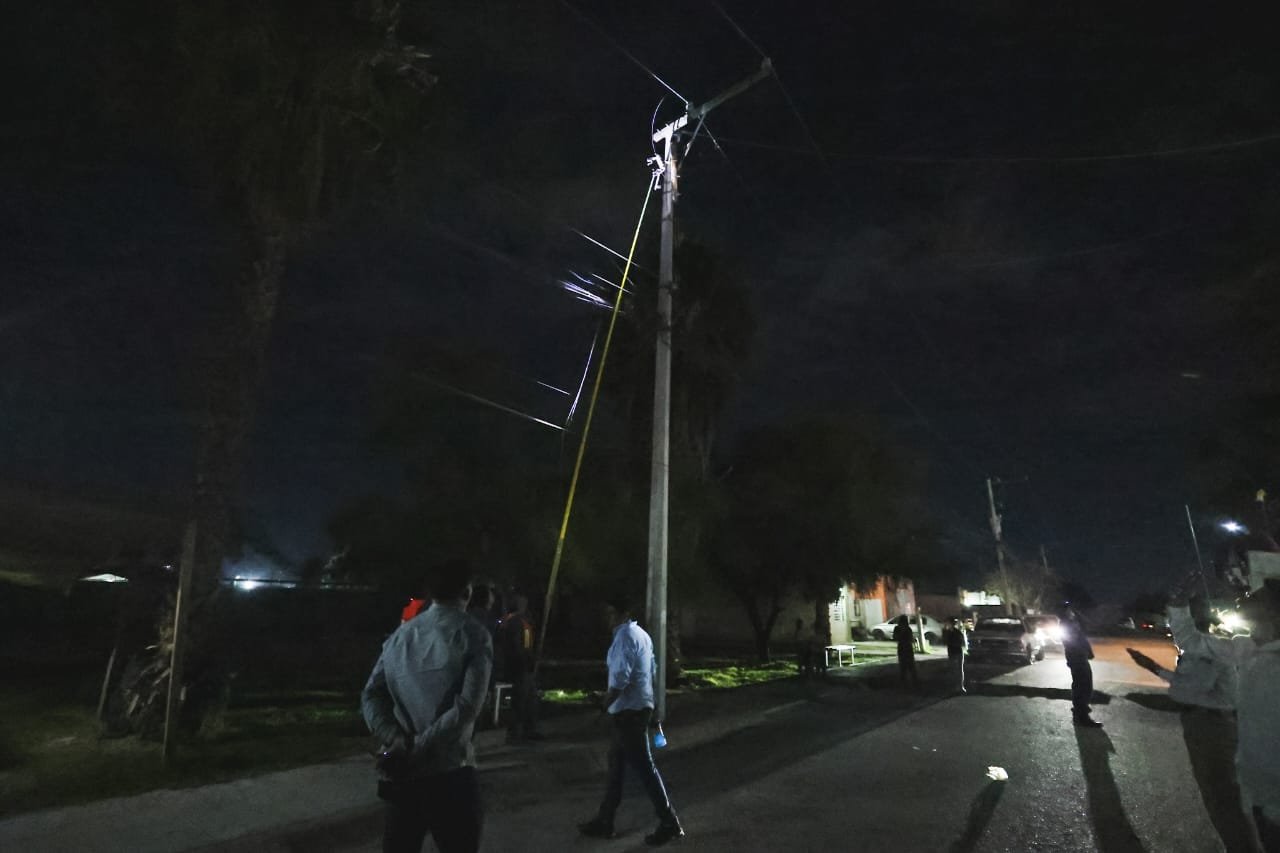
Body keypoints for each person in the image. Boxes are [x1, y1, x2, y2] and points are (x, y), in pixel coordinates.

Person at [361, 559, 494, 853]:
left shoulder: (401, 637)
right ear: (467, 592)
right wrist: (420, 746)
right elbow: (467, 707)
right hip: (450, 772)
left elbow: (371, 695)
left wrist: (395, 739)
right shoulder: (473, 633)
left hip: (403, 776)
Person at [578, 595, 684, 847]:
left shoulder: (624, 637)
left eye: (607, 611)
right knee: (617, 766)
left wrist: (604, 703)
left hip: (629, 713)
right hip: (637, 709)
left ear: (618, 612)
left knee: (644, 768)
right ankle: (605, 820)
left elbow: (620, 679)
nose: (604, 616)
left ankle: (669, 821)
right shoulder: (642, 635)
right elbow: (651, 671)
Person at [497, 593, 543, 743]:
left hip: (525, 665)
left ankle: (529, 729)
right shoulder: (513, 621)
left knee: (530, 698)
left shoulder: (523, 621)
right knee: (519, 700)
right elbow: (515, 645)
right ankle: (514, 733)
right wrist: (525, 659)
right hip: (518, 666)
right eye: (522, 602)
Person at [1061, 605, 1101, 727]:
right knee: (1083, 685)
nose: (1072, 611)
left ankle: (1079, 712)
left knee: (1084, 684)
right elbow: (1073, 641)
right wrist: (1083, 652)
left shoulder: (1072, 621)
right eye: (1069, 610)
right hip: (1076, 658)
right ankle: (1081, 715)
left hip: (1080, 657)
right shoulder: (1067, 624)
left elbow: (1083, 634)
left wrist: (1088, 652)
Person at [893, 615, 918, 687]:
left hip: (902, 647)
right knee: (910, 666)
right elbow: (910, 638)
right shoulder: (907, 628)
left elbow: (895, 637)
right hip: (907, 647)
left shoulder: (898, 628)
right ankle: (913, 681)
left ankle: (905, 681)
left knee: (904, 666)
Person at [945, 617, 968, 693]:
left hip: (957, 652)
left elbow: (961, 642)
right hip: (953, 652)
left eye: (948, 623)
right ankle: (957, 686)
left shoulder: (956, 632)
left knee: (958, 670)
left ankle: (960, 686)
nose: (947, 624)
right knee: (955, 670)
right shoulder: (948, 632)